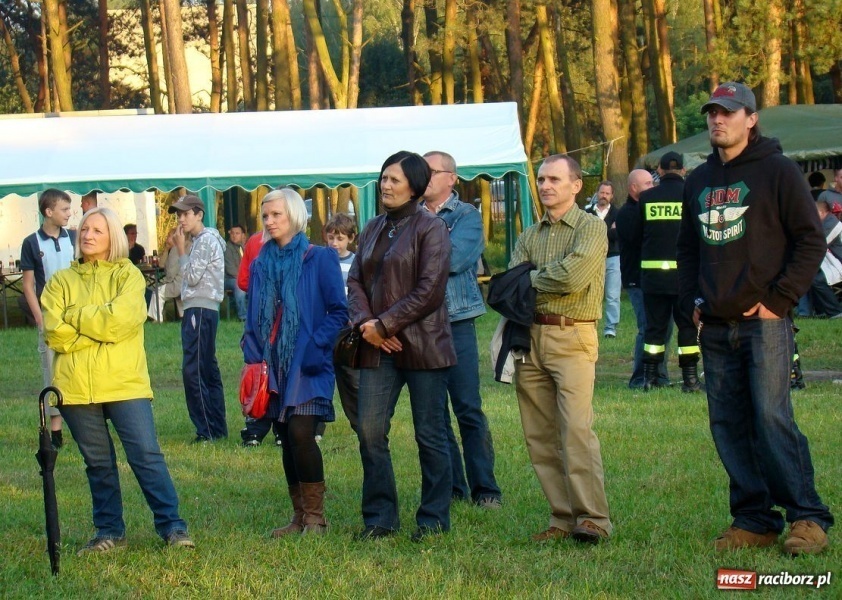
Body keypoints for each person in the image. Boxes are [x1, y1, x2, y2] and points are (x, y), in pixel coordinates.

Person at [677, 81, 834, 555]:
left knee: (771, 418)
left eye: (728, 112)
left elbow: (811, 240)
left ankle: (807, 517)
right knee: (727, 423)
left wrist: (779, 300)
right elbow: (687, 249)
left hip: (764, 321)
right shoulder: (698, 180)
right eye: (712, 112)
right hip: (715, 325)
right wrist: (693, 301)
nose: (717, 120)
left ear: (751, 119)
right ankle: (754, 519)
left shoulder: (778, 170)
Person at [41, 207, 194, 554]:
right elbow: (54, 332)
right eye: (84, 229)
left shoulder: (129, 276)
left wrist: (76, 317)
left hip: (125, 383)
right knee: (98, 463)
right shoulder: (61, 281)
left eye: (97, 230)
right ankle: (109, 531)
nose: (88, 235)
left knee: (146, 455)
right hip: (76, 387)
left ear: (112, 237)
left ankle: (172, 526)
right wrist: (101, 327)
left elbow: (123, 320)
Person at [347, 150, 456, 543]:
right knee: (369, 430)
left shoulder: (432, 228)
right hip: (378, 346)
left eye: (394, 179)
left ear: (415, 186)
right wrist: (368, 325)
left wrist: (384, 324)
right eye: (384, 178)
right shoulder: (373, 227)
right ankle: (380, 518)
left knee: (430, 434)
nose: (386, 185)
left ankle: (433, 519)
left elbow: (430, 290)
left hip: (424, 346)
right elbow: (355, 281)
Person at [509, 154, 612, 544]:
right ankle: (562, 517)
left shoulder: (591, 227)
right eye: (541, 179)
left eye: (554, 179)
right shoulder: (528, 234)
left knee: (575, 430)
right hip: (529, 337)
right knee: (538, 434)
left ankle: (593, 519)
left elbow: (572, 277)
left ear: (576, 185)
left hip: (573, 337)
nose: (545, 185)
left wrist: (531, 279)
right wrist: (534, 281)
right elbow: (512, 284)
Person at [241, 188, 347, 536]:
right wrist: (252, 355)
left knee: (301, 431)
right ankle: (299, 516)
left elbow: (339, 312)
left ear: (295, 216)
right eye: (265, 216)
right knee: (285, 435)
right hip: (273, 364)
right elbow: (253, 316)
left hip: (309, 362)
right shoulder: (259, 264)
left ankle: (316, 517)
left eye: (277, 214)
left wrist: (317, 345)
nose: (269, 221)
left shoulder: (320, 258)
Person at [421, 150, 502, 509]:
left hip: (456, 323)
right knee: (434, 413)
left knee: (468, 409)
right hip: (419, 328)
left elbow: (453, 261)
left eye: (432, 171)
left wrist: (415, 257)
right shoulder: (409, 215)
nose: (424, 177)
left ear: (452, 178)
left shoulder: (466, 216)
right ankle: (453, 487)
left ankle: (486, 489)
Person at [636, 152, 701, 392]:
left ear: (660, 171)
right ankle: (690, 380)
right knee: (687, 328)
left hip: (653, 279)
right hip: (685, 279)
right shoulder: (692, 196)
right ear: (683, 170)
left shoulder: (646, 198)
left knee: (654, 329)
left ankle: (650, 378)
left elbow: (637, 236)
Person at [169, 195, 227, 443]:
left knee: (194, 370)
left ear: (199, 214)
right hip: (204, 309)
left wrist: (181, 250)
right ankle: (217, 427)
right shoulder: (205, 240)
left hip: (199, 310)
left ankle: (206, 430)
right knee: (207, 368)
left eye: (185, 214)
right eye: (178, 215)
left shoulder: (203, 241)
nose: (181, 220)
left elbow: (192, 277)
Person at [21, 189, 74, 449]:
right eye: (64, 209)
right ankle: (56, 431)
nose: (69, 214)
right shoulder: (32, 243)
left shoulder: (74, 237)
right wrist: (40, 319)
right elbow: (28, 286)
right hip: (50, 317)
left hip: (75, 315)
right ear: (48, 212)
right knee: (51, 371)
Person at [616, 169, 672, 388]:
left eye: (652, 183)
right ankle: (640, 376)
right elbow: (639, 240)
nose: (653, 187)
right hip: (637, 280)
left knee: (664, 328)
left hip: (655, 279)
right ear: (634, 188)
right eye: (647, 183)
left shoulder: (648, 208)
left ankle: (660, 375)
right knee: (647, 327)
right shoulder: (627, 213)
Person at [324, 212, 360, 433]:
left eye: (340, 238)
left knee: (351, 379)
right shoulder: (321, 261)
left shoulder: (356, 263)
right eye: (331, 238)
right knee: (322, 377)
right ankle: (316, 426)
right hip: (326, 327)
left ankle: (361, 424)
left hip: (348, 329)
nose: (335, 243)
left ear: (351, 238)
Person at [585, 180, 621, 339]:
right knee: (591, 293)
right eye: (602, 192)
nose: (604, 196)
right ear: (597, 193)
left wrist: (598, 231)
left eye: (607, 193)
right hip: (591, 258)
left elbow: (618, 235)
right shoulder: (586, 212)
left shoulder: (618, 213)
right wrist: (609, 231)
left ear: (612, 196)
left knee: (612, 295)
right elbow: (585, 234)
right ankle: (589, 324)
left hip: (613, 257)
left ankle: (610, 328)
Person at [806, 199, 842, 318]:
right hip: (832, 262)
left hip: (837, 262)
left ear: (821, 213)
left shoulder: (832, 224)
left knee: (817, 280)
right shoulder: (826, 223)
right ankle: (820, 311)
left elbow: (819, 244)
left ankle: (835, 312)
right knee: (811, 277)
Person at [147, 227, 190, 322]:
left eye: (169, 236)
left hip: (178, 284)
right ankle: (183, 317)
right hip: (186, 283)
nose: (167, 238)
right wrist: (166, 249)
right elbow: (161, 264)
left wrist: (165, 282)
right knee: (175, 296)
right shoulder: (180, 248)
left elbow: (171, 272)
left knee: (158, 292)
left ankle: (157, 318)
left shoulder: (175, 250)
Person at [224, 224, 248, 321]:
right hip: (229, 279)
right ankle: (243, 316)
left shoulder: (244, 247)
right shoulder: (227, 248)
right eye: (232, 233)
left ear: (243, 235)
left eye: (237, 233)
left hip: (243, 277)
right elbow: (231, 270)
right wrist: (245, 279)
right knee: (239, 285)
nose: (234, 235)